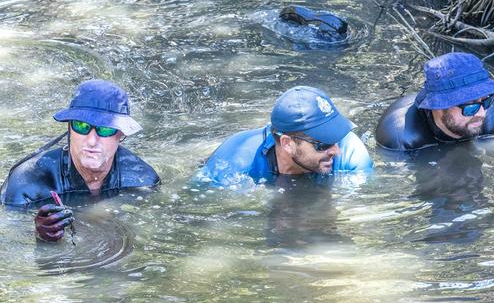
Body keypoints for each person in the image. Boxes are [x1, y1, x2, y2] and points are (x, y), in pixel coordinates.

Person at [1, 80, 160, 242]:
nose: (92, 141)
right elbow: (10, 239)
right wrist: (39, 235)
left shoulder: (142, 180)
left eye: (105, 129)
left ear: (121, 135)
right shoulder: (27, 184)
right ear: (69, 128)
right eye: (82, 126)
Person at [195, 86, 373, 185]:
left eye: (336, 137)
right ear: (288, 143)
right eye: (323, 144)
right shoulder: (235, 163)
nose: (336, 150)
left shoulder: (351, 153)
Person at [375, 52, 494, 150]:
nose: (482, 113)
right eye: (470, 107)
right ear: (438, 107)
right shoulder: (402, 138)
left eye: (486, 101)